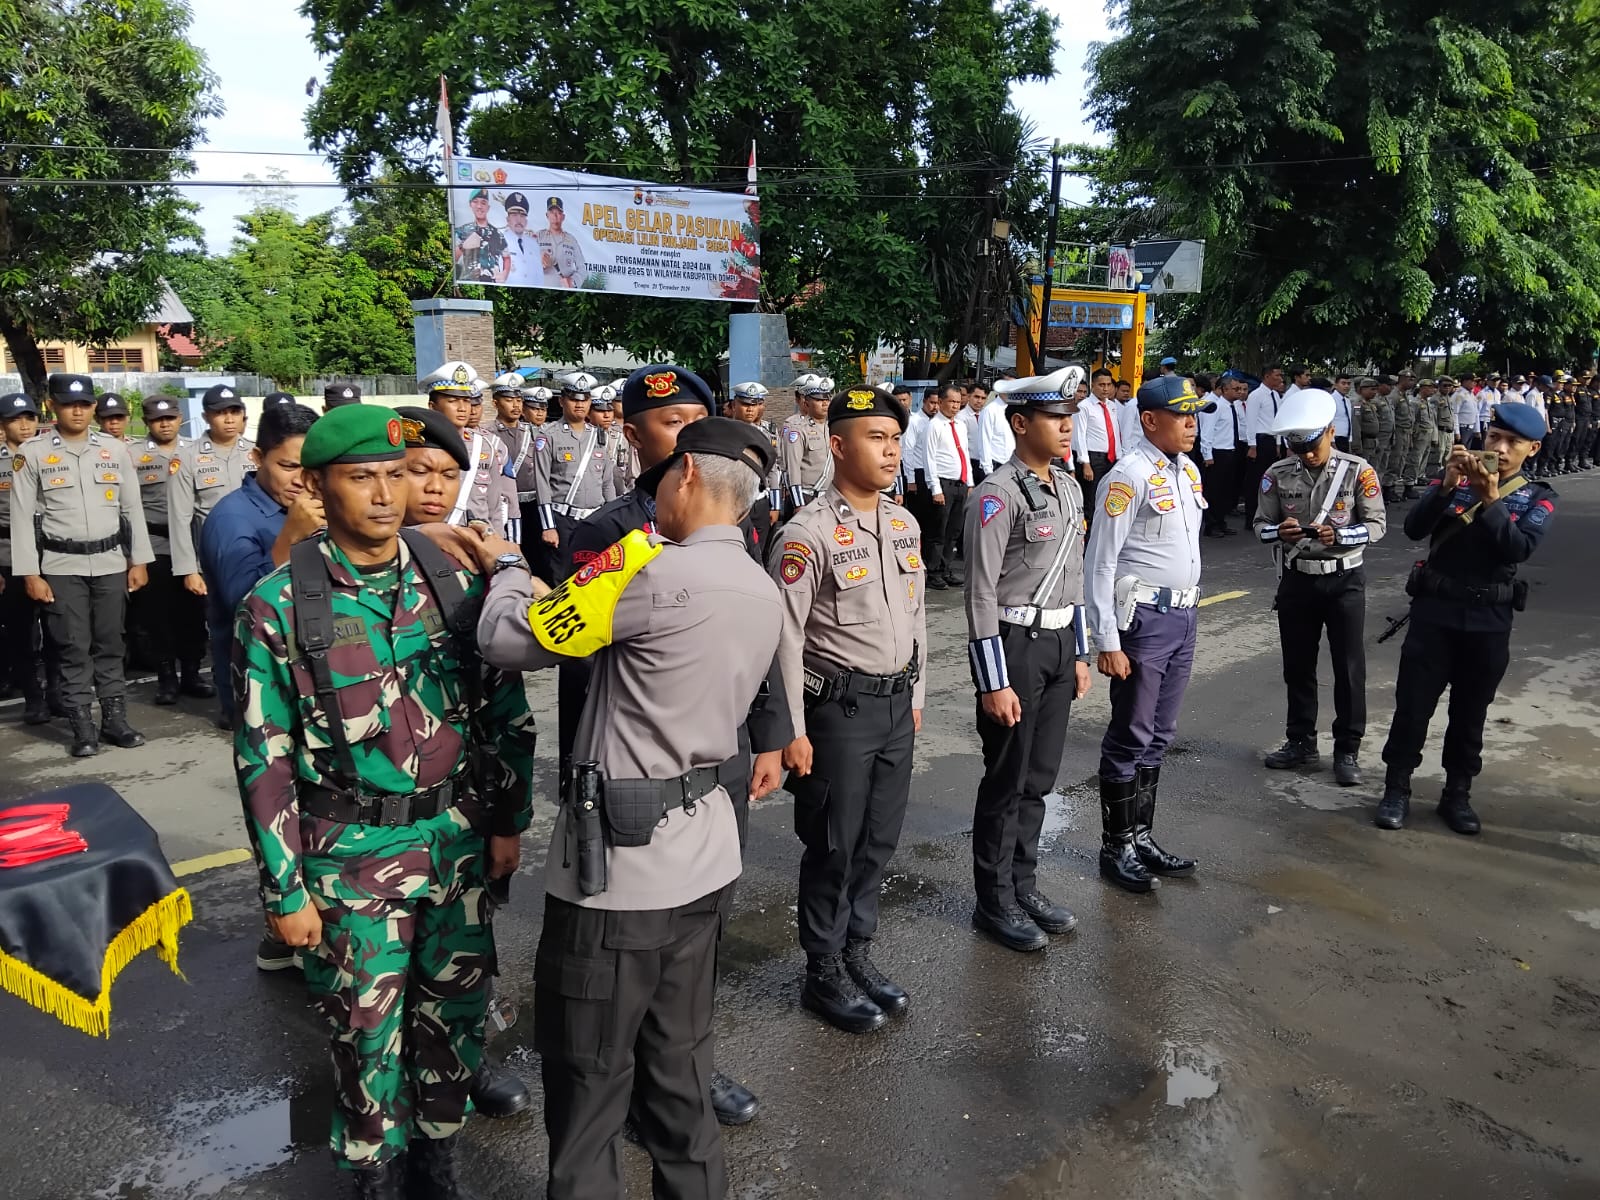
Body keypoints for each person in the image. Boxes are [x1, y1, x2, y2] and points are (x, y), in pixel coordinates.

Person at [234, 404, 536, 1200]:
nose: (384, 494)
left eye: (396, 476)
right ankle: (375, 1174)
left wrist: (509, 820)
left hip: (455, 843)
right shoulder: (280, 604)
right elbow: (263, 757)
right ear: (315, 487)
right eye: (360, 477)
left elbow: (503, 708)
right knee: (365, 1035)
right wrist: (284, 890)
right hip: (350, 859)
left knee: (454, 1017)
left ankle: (437, 1163)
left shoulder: (453, 580)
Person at [477, 416, 781, 1200]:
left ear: (687, 475)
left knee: (589, 1085)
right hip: (704, 854)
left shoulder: (650, 574)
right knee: (680, 1072)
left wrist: (506, 566)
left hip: (621, 875)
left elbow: (511, 639)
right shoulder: (758, 581)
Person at [773, 385, 924, 1034]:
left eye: (895, 440)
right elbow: (783, 636)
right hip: (839, 713)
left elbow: (917, 619)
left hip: (894, 708)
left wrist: (917, 696)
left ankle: (857, 949)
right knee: (834, 844)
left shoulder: (903, 522)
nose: (890, 451)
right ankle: (822, 968)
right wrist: (791, 730)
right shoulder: (806, 533)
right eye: (875, 438)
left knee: (878, 840)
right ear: (837, 445)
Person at [1375, 404, 1556, 836]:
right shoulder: (1452, 480)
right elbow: (1414, 529)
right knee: (1413, 707)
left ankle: (1457, 794)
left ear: (1532, 449)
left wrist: (1490, 498)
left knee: (1470, 712)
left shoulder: (1537, 496)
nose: (1501, 448)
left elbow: (1518, 549)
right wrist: (1445, 487)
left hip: (1488, 619)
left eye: (1513, 442)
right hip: (1435, 613)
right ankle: (1396, 788)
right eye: (1495, 437)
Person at [963, 366, 1092, 952]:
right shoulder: (997, 495)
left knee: (1039, 778)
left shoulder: (1068, 486)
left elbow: (1075, 575)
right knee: (1007, 779)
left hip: (1060, 644)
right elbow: (980, 593)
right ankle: (993, 901)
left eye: (1070, 418)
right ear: (1020, 423)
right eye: (1054, 418)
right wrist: (993, 681)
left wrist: (1081, 652)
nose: (1067, 427)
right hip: (1015, 645)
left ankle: (1023, 885)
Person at [1084, 374, 1212, 894]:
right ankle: (1115, 845)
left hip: (1182, 616)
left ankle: (1140, 837)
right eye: (1182, 415)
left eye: (1194, 414)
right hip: (1143, 621)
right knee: (1131, 732)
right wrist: (1107, 641)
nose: (1191, 423)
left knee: (1161, 733)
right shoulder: (1127, 476)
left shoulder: (1188, 471)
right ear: (1150, 420)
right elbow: (1100, 562)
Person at [9, 373, 153, 756]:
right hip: (61, 565)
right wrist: (30, 573)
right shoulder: (33, 453)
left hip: (110, 562)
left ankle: (115, 721)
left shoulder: (114, 449)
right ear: (51, 406)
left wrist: (139, 560)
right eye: (69, 404)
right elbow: (21, 517)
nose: (78, 411)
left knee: (111, 643)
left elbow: (131, 508)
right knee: (72, 646)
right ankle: (82, 728)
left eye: (85, 404)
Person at [1252, 389, 1387, 786]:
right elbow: (1260, 526)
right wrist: (1281, 532)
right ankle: (1300, 741)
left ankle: (1347, 749)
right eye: (1299, 448)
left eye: (1313, 445)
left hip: (1344, 579)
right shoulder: (1277, 474)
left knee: (1349, 668)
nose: (1308, 454)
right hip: (1298, 578)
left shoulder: (1358, 471)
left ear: (1330, 432)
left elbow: (1377, 525)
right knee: (1297, 666)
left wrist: (1340, 535)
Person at [199, 402, 321, 738]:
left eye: (311, 468)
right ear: (257, 457)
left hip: (314, 673)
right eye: (288, 466)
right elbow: (244, 603)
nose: (301, 480)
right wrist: (290, 537)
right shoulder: (231, 519)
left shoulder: (313, 505)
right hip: (263, 684)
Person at [169, 383, 254, 700]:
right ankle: (228, 701)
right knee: (222, 631)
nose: (228, 419)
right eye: (220, 413)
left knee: (256, 628)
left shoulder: (256, 453)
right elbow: (179, 517)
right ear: (206, 417)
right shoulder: (187, 458)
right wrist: (188, 569)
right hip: (214, 560)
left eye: (234, 412)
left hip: (254, 555)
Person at [125, 394, 206, 705]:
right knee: (157, 615)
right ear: (147, 422)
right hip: (154, 543)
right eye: (157, 419)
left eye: (170, 418)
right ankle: (166, 677)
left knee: (192, 613)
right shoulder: (132, 455)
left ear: (179, 419)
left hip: (191, 543)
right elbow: (127, 506)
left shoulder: (195, 450)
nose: (165, 424)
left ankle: (192, 673)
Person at [421, 361, 519, 540]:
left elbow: (495, 507)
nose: (462, 408)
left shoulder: (485, 445)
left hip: (478, 540)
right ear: (432, 407)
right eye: (453, 401)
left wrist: (497, 544)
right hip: (434, 539)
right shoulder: (419, 446)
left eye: (466, 401)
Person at [534, 370, 616, 577]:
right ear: (562, 401)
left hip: (594, 519)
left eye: (584, 399)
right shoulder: (548, 436)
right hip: (564, 520)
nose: (579, 404)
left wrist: (613, 519)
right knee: (561, 575)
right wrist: (548, 526)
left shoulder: (598, 436)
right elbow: (542, 482)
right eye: (573, 399)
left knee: (594, 574)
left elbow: (607, 482)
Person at [0, 392, 47, 723]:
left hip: (52, 551)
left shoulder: (51, 455)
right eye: (16, 419)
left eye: (29, 418)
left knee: (59, 630)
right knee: (20, 630)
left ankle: (58, 692)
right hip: (8, 554)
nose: (25, 425)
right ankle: (33, 696)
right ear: (3, 425)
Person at [920, 383, 973, 589]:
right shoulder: (934, 425)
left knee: (954, 530)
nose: (955, 406)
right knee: (938, 531)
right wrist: (935, 488)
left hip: (960, 483)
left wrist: (969, 482)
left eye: (958, 402)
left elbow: (965, 454)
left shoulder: (960, 425)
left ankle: (946, 568)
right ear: (941, 402)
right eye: (951, 401)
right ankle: (933, 572)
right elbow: (929, 458)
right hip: (943, 483)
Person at [727, 380, 782, 530]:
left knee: (761, 543)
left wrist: (775, 505)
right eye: (745, 404)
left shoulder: (767, 433)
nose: (750, 409)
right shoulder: (725, 432)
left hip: (760, 501)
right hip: (733, 502)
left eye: (755, 404)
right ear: (734, 405)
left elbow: (773, 470)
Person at [1197, 371, 1246, 537]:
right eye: (1235, 389)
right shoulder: (1216, 406)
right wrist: (1207, 455)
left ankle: (1221, 521)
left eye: (1240, 388)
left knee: (1226, 490)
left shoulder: (1232, 407)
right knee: (1214, 491)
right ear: (1225, 390)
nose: (1239, 392)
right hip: (1217, 453)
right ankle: (1211, 525)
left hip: (1230, 451)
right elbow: (1207, 432)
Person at [779, 374, 835, 519]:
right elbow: (792, 468)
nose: (824, 403)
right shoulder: (797, 429)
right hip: (806, 496)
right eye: (818, 400)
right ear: (807, 403)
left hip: (829, 496)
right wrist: (798, 503)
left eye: (827, 399)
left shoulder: (833, 427)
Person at [1243, 365, 1285, 524]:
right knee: (1256, 480)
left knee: (1270, 480)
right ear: (1267, 376)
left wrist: (1279, 442)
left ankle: (1268, 514)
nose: (1280, 379)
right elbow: (1251, 421)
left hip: (1272, 440)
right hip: (1260, 440)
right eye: (1277, 375)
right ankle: (1251, 517)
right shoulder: (1256, 395)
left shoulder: (1275, 395)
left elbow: (1277, 420)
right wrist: (1252, 445)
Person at [453, 187, 509, 284]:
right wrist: (463, 246)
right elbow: (452, 258)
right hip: (468, 283)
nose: (479, 206)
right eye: (475, 202)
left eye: (483, 203)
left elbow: (507, 257)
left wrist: (504, 274)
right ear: (470, 204)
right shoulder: (461, 231)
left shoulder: (498, 234)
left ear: (488, 207)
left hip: (492, 285)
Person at [535, 195, 586, 288]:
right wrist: (540, 262)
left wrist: (572, 282)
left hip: (566, 293)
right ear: (547, 215)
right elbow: (525, 262)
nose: (555, 216)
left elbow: (582, 268)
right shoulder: (538, 237)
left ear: (563, 217)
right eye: (552, 212)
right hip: (542, 291)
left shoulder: (571, 240)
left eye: (558, 213)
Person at [500, 192, 541, 285]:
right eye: (514, 215)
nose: (519, 220)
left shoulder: (534, 245)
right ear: (508, 219)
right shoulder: (498, 242)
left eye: (522, 215)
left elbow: (539, 278)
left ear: (526, 221)